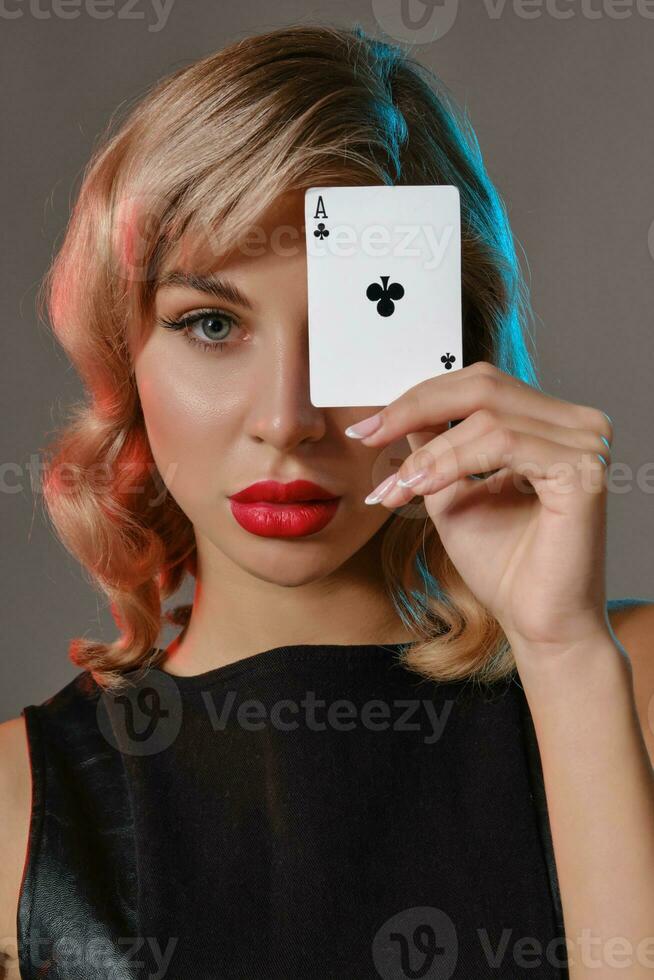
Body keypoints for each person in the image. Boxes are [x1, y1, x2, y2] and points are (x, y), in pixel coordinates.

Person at [1, 22, 653, 980]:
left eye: (356, 324)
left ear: (461, 352)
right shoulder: (19, 803)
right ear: (124, 355)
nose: (288, 418)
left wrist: (563, 658)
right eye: (212, 323)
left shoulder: (625, 683)